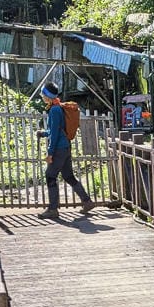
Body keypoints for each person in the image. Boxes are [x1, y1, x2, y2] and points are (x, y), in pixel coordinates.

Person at [38, 81, 95, 218]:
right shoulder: (58, 107)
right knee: (68, 176)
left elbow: (55, 134)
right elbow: (56, 130)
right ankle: (87, 201)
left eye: (43, 94)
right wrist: (43, 133)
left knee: (50, 175)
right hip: (65, 147)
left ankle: (53, 209)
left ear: (47, 96)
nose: (41, 96)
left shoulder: (54, 110)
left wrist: (50, 153)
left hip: (59, 148)